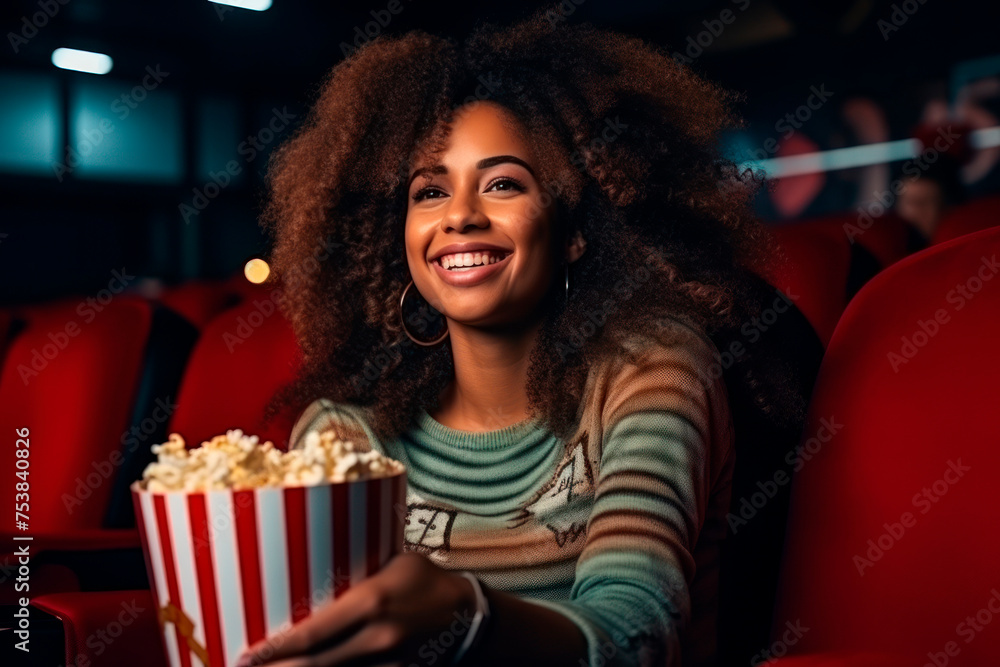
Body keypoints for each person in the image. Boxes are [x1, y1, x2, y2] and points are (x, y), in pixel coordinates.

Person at [239, 8, 804, 667]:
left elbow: (639, 640)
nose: (459, 215)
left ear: (574, 230)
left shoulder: (651, 369)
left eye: (503, 183)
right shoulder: (343, 438)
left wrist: (467, 615)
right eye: (428, 191)